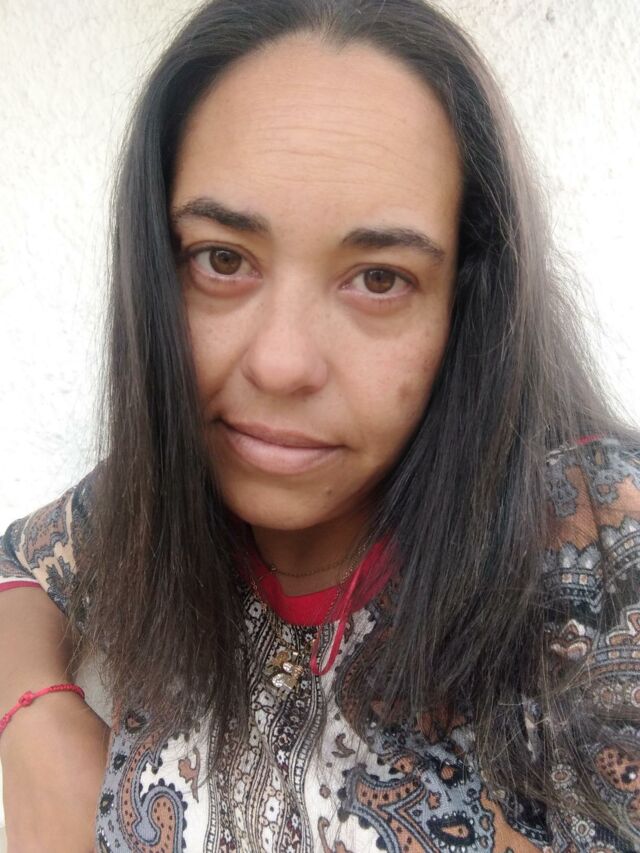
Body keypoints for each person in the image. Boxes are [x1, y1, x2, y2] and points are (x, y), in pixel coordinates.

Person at [1, 0, 639, 849]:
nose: (281, 364)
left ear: (465, 301)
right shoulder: (168, 492)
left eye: (379, 278)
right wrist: (34, 717)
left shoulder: (598, 539)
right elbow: (19, 563)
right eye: (222, 260)